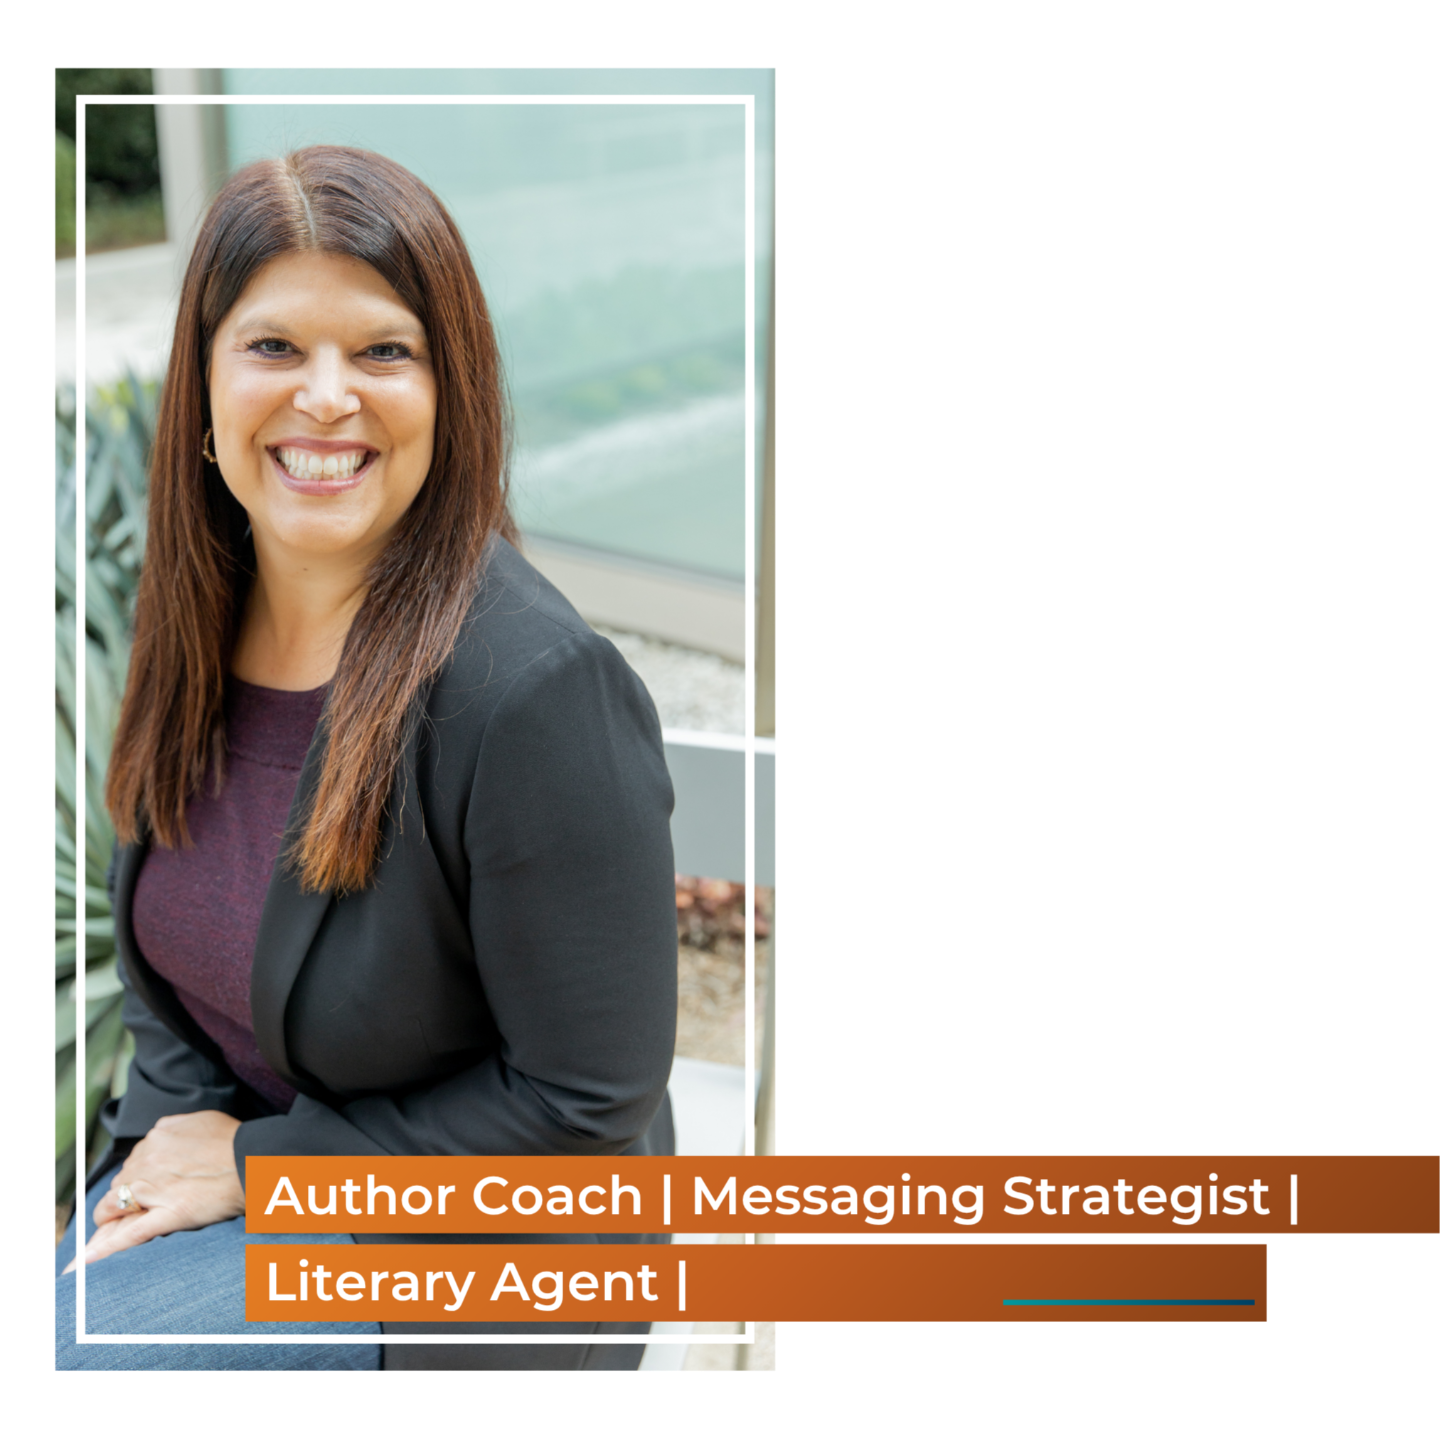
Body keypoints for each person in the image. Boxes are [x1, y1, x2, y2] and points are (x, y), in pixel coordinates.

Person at [56, 146, 678, 1372]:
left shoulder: (536, 691)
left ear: (451, 392)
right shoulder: (192, 618)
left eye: (383, 351)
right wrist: (167, 1155)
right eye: (275, 347)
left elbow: (583, 1111)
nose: (327, 397)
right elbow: (164, 968)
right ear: (204, 386)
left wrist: (255, 1170)